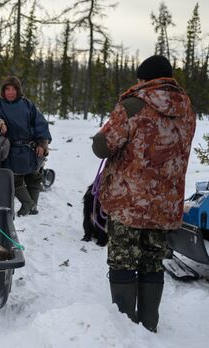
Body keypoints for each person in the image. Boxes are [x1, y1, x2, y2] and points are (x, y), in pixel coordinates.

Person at [92, 55, 196, 332]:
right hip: (165, 204)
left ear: (145, 79)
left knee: (123, 261)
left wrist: (102, 136)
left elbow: (103, 147)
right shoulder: (186, 108)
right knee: (152, 261)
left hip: (130, 203)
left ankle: (126, 329)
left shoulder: (133, 105)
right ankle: (149, 323)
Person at [0, 76, 51, 216]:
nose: (10, 92)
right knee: (14, 178)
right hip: (12, 149)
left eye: (13, 89)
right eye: (7, 89)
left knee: (34, 176)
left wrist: (42, 142)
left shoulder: (27, 104)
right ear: (3, 91)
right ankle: (27, 203)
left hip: (31, 148)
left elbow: (40, 123)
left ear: (18, 91)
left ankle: (32, 206)